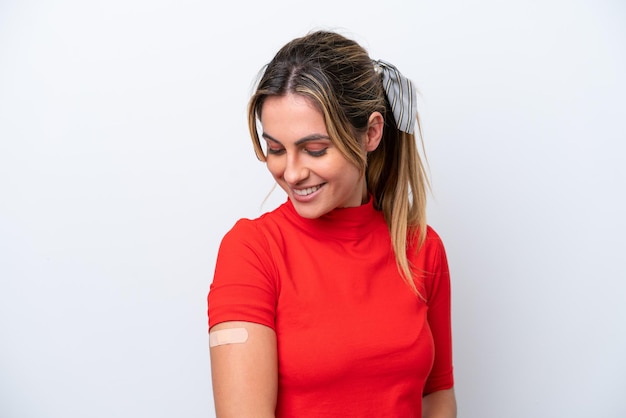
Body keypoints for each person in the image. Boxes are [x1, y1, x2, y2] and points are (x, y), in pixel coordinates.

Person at [207, 29, 456, 418]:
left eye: (315, 149)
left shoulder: (422, 249)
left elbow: (436, 396)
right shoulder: (252, 250)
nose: (290, 173)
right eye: (275, 149)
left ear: (371, 132)